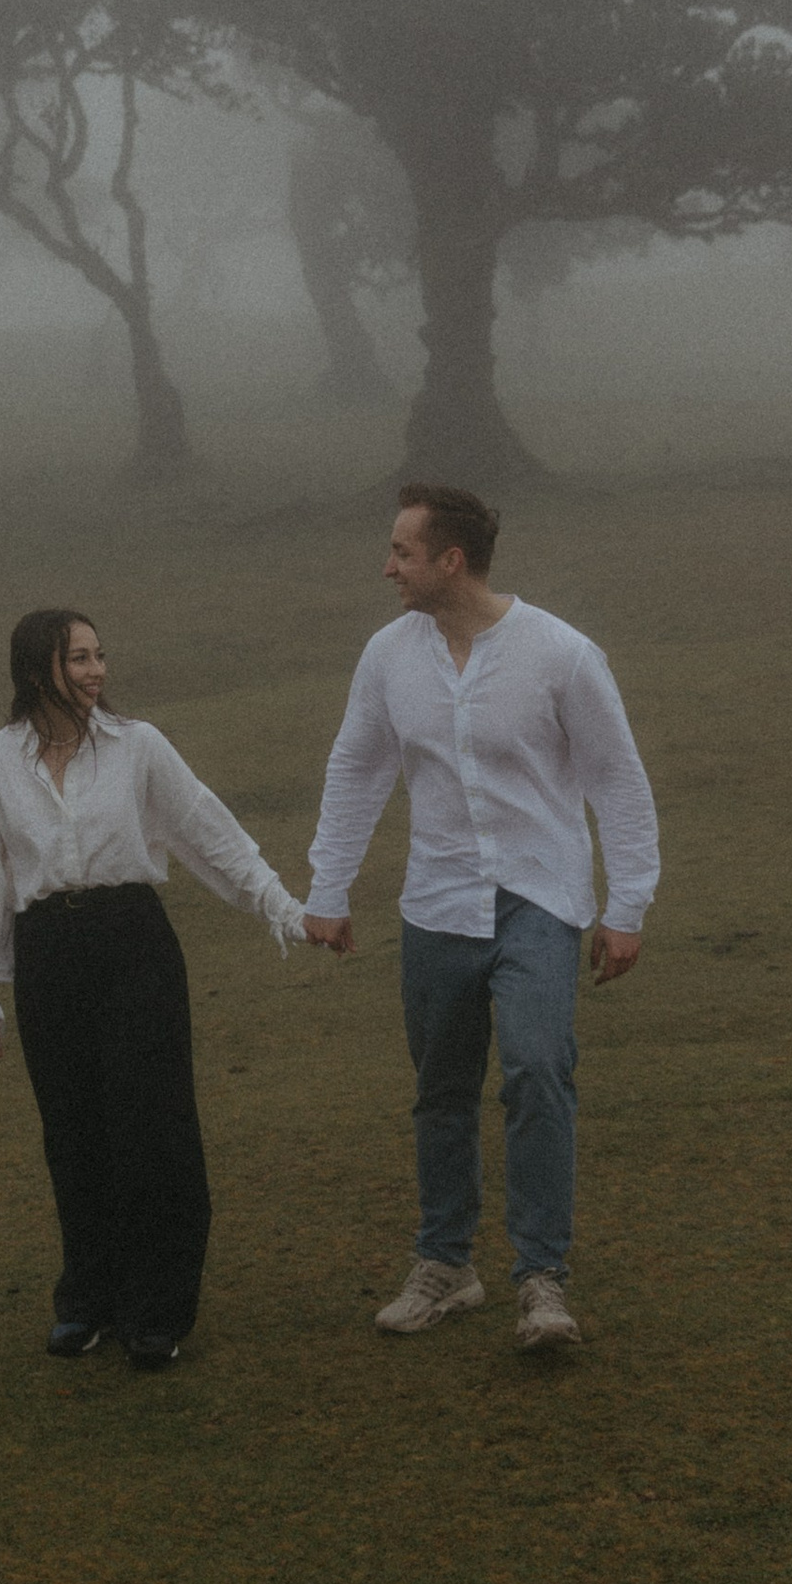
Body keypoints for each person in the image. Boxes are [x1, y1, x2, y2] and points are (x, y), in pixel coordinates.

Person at [304, 485, 660, 1354]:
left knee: (539, 1071)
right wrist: (328, 887)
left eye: (402, 553)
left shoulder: (562, 654)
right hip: (437, 903)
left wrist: (627, 905)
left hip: (541, 898)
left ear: (450, 562)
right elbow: (358, 766)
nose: (387, 567)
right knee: (442, 1090)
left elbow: (615, 776)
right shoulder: (389, 657)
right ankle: (445, 1267)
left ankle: (542, 1282)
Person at [0, 607, 307, 1368]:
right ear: (35, 670)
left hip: (133, 945)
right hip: (48, 953)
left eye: (98, 656)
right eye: (78, 658)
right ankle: (88, 1300)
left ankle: (158, 1310)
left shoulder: (138, 746)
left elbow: (206, 829)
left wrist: (280, 905)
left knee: (153, 1129)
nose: (96, 672)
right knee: (74, 1134)